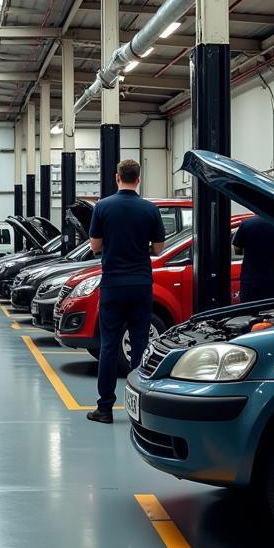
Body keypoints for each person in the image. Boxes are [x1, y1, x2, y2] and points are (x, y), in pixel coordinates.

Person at [87, 159, 165, 424]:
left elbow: (95, 246)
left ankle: (105, 409)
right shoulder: (150, 209)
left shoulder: (103, 207)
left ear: (117, 177)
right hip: (141, 284)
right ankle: (137, 409)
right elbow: (158, 249)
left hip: (113, 285)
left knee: (109, 346)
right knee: (140, 346)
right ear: (138, 179)